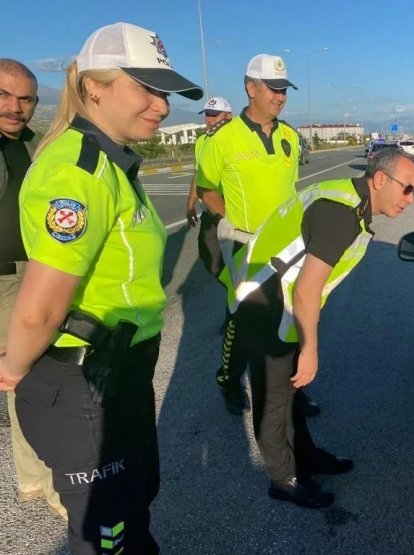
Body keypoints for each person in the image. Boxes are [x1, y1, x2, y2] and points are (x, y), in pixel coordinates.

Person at [0, 22, 202, 553]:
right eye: (146, 88)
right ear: (94, 86)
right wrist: (15, 368)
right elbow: (38, 307)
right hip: (84, 380)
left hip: (118, 372)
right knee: (107, 534)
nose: (162, 106)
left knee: (131, 508)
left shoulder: (111, 162)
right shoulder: (78, 170)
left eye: (165, 92)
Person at [221, 147, 414, 508]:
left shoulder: (349, 201)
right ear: (380, 179)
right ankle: (282, 479)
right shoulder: (341, 213)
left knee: (291, 393)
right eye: (407, 188)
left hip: (278, 303)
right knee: (274, 401)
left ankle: (306, 456)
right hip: (263, 306)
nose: (410, 198)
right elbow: (307, 288)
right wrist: (310, 348)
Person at [196, 54, 319, 418]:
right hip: (246, 247)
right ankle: (228, 380)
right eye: (273, 89)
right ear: (251, 87)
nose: (280, 97)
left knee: (292, 319)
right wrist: (227, 222)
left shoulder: (289, 137)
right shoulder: (224, 139)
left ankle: (294, 391)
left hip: (287, 246)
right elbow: (206, 189)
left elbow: (289, 188)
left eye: (284, 90)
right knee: (241, 321)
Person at [0, 58, 66, 519]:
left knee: (27, 377)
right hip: (4, 280)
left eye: (25, 99)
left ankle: (30, 478)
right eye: (4, 95)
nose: (15, 107)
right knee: (25, 378)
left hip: (36, 272)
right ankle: (48, 482)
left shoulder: (36, 147)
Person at [185, 96, 232, 277]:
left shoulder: (236, 139)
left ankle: (241, 297)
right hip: (211, 210)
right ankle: (235, 291)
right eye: (207, 115)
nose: (209, 119)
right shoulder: (202, 141)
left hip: (233, 207)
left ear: (228, 116)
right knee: (210, 257)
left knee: (240, 256)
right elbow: (199, 175)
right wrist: (190, 205)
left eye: (214, 115)